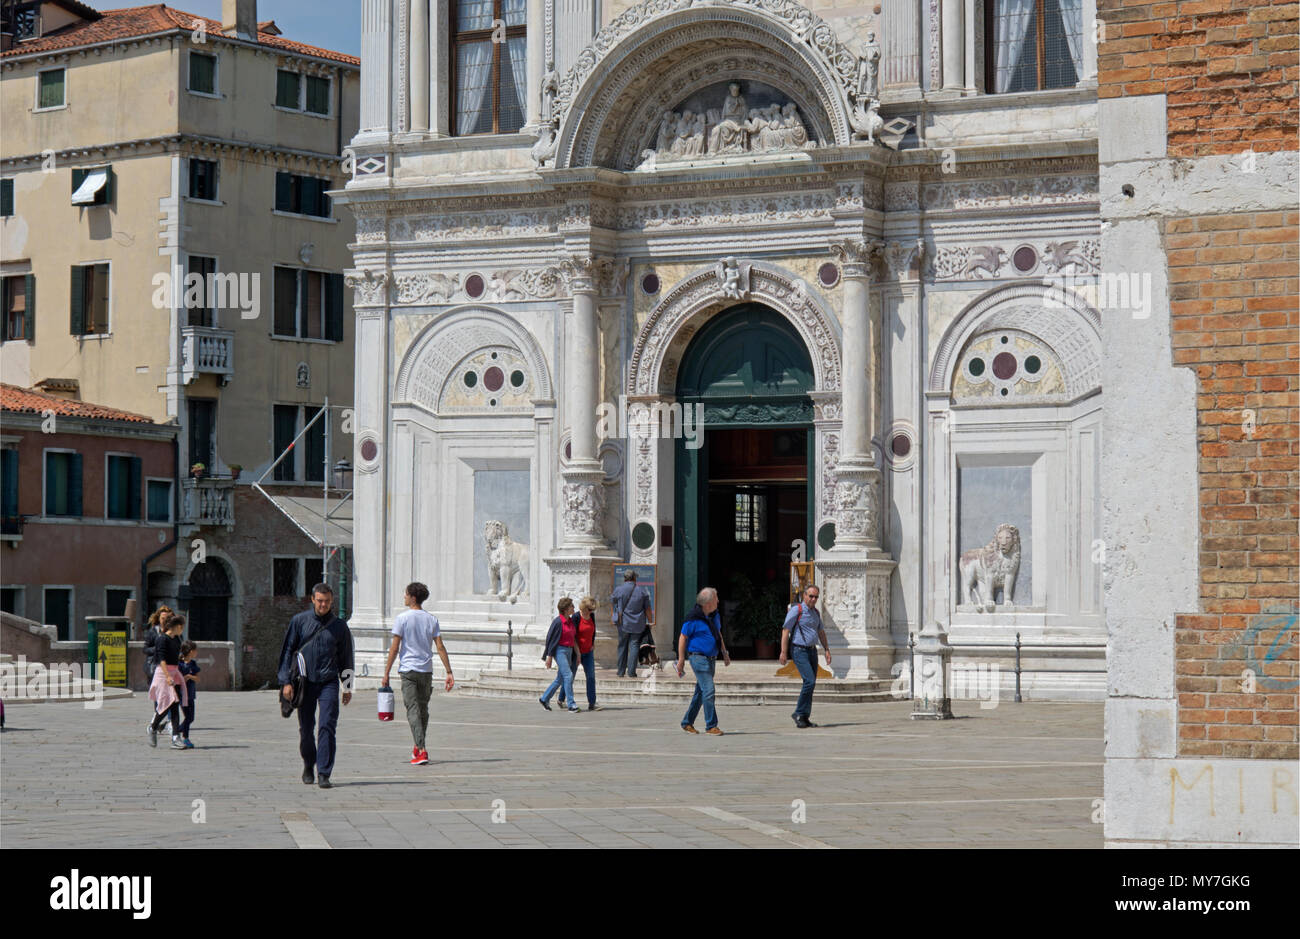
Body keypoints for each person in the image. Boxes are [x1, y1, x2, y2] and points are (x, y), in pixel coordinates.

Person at [278, 583, 354, 789]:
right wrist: (285, 681)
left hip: (329, 681)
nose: (323, 605)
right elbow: (287, 652)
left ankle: (324, 772)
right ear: (312, 599)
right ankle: (308, 764)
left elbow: (347, 657)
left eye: (327, 601)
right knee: (306, 728)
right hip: (305, 682)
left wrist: (347, 686)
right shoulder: (299, 622)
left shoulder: (340, 626)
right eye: (320, 601)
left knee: (327, 725)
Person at [383, 581, 454, 766]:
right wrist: (449, 671)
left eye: (406, 594)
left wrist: (386, 672)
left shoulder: (402, 619)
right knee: (423, 710)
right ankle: (418, 745)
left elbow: (394, 648)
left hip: (408, 670)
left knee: (413, 709)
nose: (404, 597)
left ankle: (421, 750)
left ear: (413, 597)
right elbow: (440, 646)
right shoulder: (432, 619)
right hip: (426, 670)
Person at [676, 587, 730, 735]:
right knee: (709, 690)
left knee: (700, 692)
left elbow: (718, 634)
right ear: (708, 603)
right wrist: (681, 660)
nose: (718, 601)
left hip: (711, 659)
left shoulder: (715, 616)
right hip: (698, 658)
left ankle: (687, 722)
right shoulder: (693, 618)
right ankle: (711, 726)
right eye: (716, 598)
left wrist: (724, 653)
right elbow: (683, 637)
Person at [780, 584, 832, 728]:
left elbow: (821, 632)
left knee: (811, 683)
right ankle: (799, 712)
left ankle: (804, 717)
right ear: (804, 595)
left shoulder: (815, 613)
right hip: (799, 650)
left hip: (812, 651)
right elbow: (785, 630)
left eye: (816, 597)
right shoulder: (797, 610)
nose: (813, 599)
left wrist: (827, 649)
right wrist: (783, 652)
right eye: (811, 596)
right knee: (809, 681)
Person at [146, 613, 188, 750]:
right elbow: (161, 660)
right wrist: (167, 676)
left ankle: (175, 738)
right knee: (165, 706)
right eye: (182, 627)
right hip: (163, 675)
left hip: (173, 674)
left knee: (174, 705)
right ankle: (153, 727)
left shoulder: (177, 639)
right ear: (178, 626)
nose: (182, 630)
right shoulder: (161, 639)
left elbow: (175, 656)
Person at [539, 598, 579, 713]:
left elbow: (573, 638)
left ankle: (544, 698)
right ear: (566, 609)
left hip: (569, 651)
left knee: (560, 678)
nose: (573, 608)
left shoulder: (571, 621)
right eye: (572, 606)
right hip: (560, 651)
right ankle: (571, 704)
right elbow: (550, 640)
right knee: (568, 675)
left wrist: (578, 653)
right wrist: (549, 657)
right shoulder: (558, 622)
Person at [610, 571, 653, 678]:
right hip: (637, 623)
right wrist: (650, 621)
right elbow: (647, 608)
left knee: (622, 646)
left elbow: (613, 601)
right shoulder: (642, 591)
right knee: (634, 646)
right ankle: (631, 672)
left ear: (625, 578)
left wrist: (618, 610)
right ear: (634, 578)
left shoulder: (619, 589)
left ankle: (620, 671)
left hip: (623, 622)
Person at [574, 596, 601, 711]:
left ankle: (592, 703)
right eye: (590, 610)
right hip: (576, 652)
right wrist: (577, 652)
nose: (592, 612)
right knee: (570, 676)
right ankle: (561, 698)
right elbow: (573, 635)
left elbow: (593, 631)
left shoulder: (592, 616)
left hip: (588, 651)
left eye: (593, 610)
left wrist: (592, 643)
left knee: (591, 676)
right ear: (584, 608)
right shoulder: (576, 617)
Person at [177, 640, 200, 748]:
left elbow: (197, 678)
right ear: (191, 651)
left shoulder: (193, 663)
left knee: (191, 718)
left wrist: (190, 677)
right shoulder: (179, 664)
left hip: (191, 694)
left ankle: (176, 730)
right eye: (195, 651)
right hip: (182, 695)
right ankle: (185, 738)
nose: (196, 653)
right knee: (188, 716)